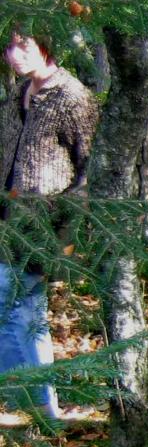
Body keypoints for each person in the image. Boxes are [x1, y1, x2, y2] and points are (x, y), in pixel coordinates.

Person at [0, 31, 97, 421]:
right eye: (9, 46)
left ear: (47, 45)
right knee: (24, 315)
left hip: (42, 225)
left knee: (12, 308)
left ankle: (30, 408)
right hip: (6, 221)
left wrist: (65, 235)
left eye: (24, 45)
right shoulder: (16, 95)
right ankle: (36, 407)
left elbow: (90, 171)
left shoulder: (73, 97)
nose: (15, 55)